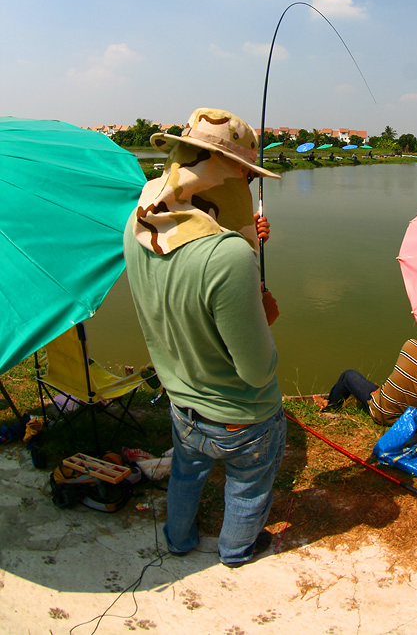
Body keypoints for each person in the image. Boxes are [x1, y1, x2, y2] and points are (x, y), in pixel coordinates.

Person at [123, 108, 286, 568]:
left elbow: (187, 291)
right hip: (241, 415)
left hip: (182, 402)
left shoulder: (137, 227)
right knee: (248, 486)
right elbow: (256, 369)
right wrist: (263, 316)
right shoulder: (228, 257)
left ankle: (177, 539)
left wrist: (244, 243)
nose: (248, 189)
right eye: (245, 177)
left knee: (186, 473)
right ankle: (236, 550)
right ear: (222, 176)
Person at [314, 338, 417, 426]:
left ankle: (331, 407)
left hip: (382, 411)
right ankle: (329, 404)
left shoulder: (410, 345)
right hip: (411, 421)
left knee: (348, 376)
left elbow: (414, 372)